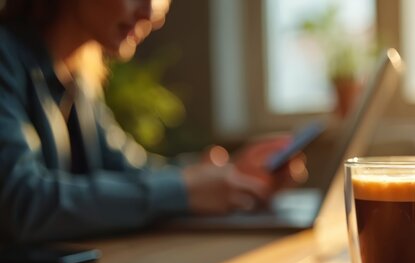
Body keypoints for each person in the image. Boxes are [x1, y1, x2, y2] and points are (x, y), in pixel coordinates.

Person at [0, 0, 298, 243]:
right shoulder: (6, 57)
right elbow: (21, 202)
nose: (152, 13)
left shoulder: (78, 77)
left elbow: (128, 169)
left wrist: (231, 172)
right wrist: (186, 189)